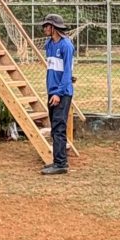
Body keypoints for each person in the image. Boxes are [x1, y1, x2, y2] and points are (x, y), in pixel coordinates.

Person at [39, 14, 74, 175]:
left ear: (54, 28)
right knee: (54, 128)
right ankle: (57, 160)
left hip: (61, 93)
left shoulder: (66, 45)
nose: (45, 28)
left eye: (47, 26)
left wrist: (59, 93)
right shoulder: (48, 44)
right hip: (52, 91)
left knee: (59, 128)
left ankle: (61, 164)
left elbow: (67, 72)